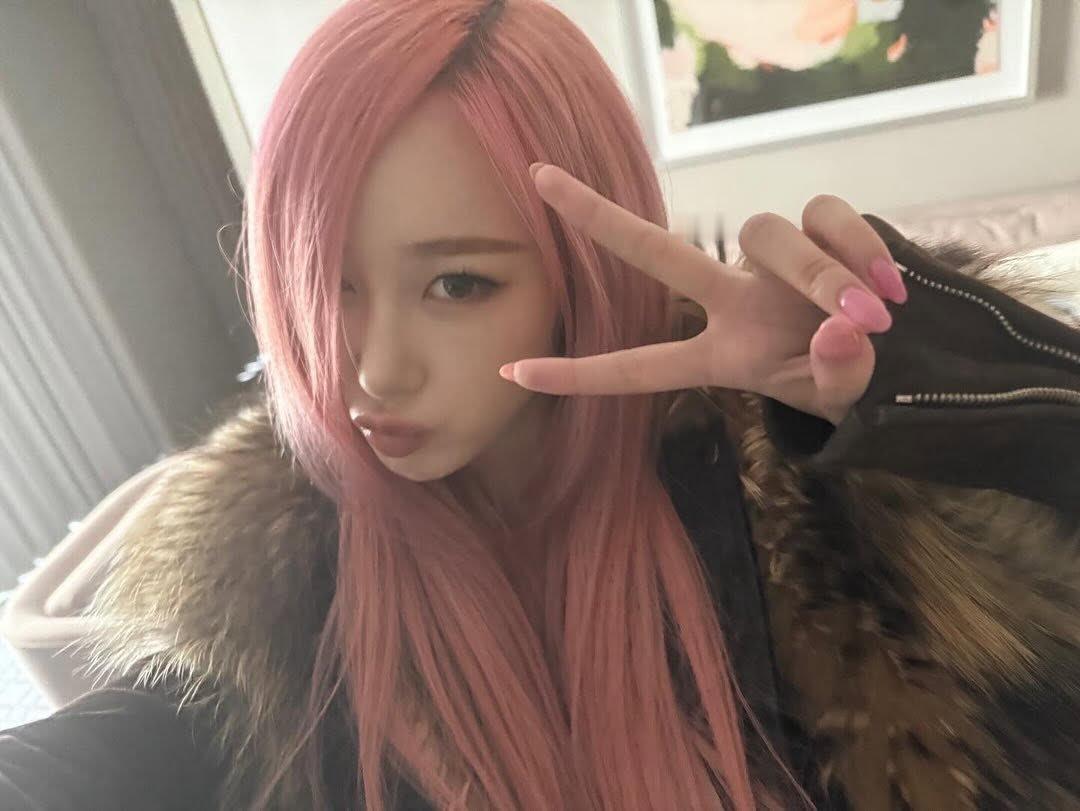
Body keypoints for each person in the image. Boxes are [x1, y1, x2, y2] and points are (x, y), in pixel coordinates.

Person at [1, 0, 1077, 808]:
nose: (373, 371)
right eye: (325, 284)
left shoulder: (791, 497)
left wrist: (973, 404)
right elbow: (109, 753)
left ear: (578, 281)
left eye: (459, 284)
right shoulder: (281, 594)